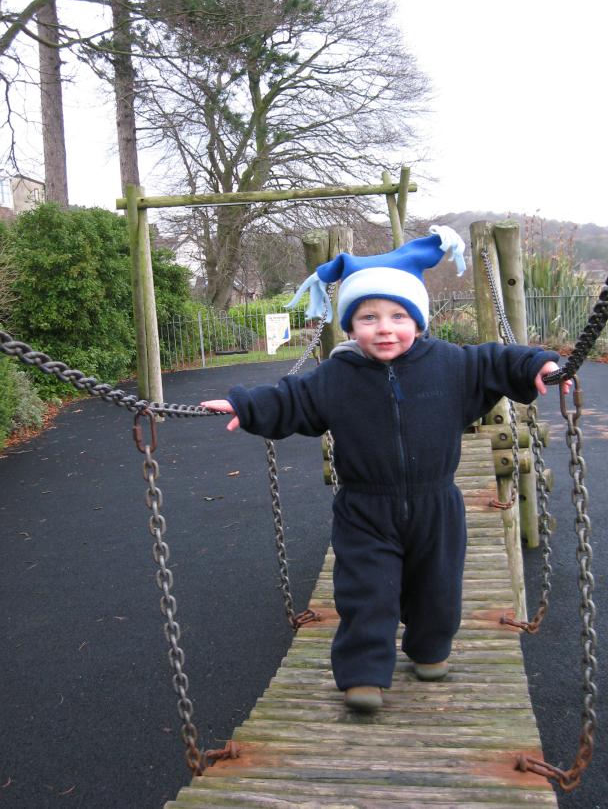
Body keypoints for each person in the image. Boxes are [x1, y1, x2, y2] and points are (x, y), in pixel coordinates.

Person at [202, 226, 567, 713]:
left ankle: (430, 649)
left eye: (398, 316)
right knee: (365, 591)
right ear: (351, 326)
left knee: (437, 586)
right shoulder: (336, 376)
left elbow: (497, 361)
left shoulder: (451, 364)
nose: (385, 328)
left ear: (417, 320)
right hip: (364, 507)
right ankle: (363, 675)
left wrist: (538, 365)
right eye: (368, 317)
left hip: (437, 503)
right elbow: (292, 399)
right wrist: (245, 406)